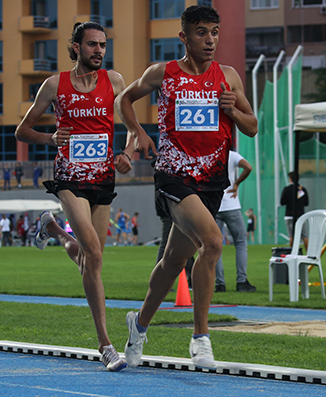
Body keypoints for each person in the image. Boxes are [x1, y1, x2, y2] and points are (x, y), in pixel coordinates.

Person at [116, 5, 258, 370]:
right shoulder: (163, 73)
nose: (209, 40)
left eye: (214, 32)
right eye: (201, 33)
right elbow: (124, 99)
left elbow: (253, 126)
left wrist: (233, 112)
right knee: (212, 242)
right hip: (174, 175)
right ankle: (200, 338)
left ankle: (139, 326)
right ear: (184, 37)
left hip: (211, 181)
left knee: (173, 261)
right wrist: (137, 132)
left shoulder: (228, 77)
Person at [15, 21, 130, 371]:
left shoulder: (116, 81)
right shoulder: (55, 85)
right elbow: (23, 131)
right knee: (93, 253)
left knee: (89, 261)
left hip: (103, 178)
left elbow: (128, 123)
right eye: (93, 44)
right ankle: (106, 345)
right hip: (69, 177)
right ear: (77, 47)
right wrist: (50, 139)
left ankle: (52, 230)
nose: (99, 50)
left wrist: (124, 152)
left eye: (103, 45)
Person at [214, 150, 255, 293]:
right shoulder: (231, 155)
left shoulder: (207, 154)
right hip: (231, 205)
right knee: (241, 243)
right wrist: (236, 183)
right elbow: (248, 167)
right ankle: (241, 281)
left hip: (213, 205)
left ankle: (220, 284)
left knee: (215, 246)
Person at [280, 171, 309, 248]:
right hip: (300, 215)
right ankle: (309, 254)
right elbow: (306, 203)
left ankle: (293, 253)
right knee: (304, 236)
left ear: (290, 179)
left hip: (289, 215)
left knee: (291, 235)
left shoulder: (287, 189)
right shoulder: (302, 190)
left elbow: (282, 202)